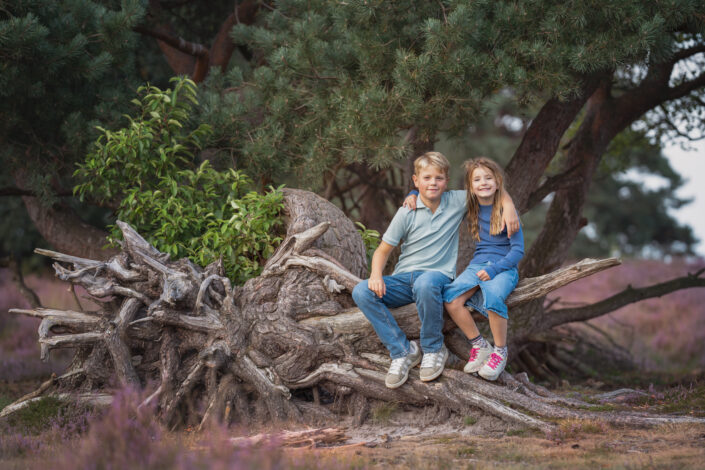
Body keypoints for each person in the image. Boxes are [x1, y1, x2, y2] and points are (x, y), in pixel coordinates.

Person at [352, 152, 519, 389]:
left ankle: (433, 349)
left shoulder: (457, 201)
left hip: (436, 277)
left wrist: (509, 206)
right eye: (426, 178)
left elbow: (489, 189)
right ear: (415, 180)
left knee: (426, 282)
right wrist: (376, 275)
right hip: (403, 279)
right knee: (361, 292)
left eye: (438, 178)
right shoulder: (406, 212)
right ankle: (402, 351)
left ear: (446, 181)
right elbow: (382, 251)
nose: (433, 183)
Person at [441, 157, 524, 381]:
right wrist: (412, 195)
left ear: (497, 182)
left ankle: (500, 351)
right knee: (451, 298)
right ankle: (479, 344)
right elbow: (438, 195)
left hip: (504, 267)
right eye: (477, 179)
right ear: (470, 186)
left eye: (488, 178)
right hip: (477, 264)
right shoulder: (472, 204)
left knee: (494, 296)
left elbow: (517, 252)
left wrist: (495, 270)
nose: (483, 182)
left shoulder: (508, 213)